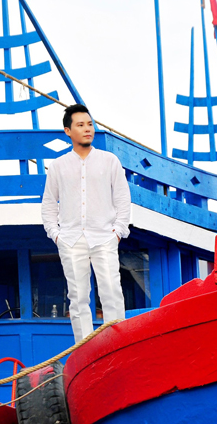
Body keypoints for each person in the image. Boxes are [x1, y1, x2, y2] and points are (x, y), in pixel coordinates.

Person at [41, 104, 131, 341]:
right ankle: (84, 348)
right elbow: (49, 203)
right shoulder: (58, 166)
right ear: (68, 131)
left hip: (104, 236)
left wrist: (118, 232)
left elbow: (123, 199)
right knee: (78, 297)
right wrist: (56, 235)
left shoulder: (109, 161)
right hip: (70, 240)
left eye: (90, 124)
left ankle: (117, 344)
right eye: (80, 125)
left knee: (111, 291)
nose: (87, 129)